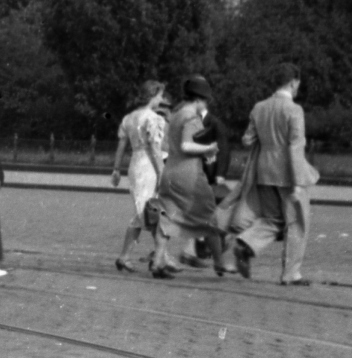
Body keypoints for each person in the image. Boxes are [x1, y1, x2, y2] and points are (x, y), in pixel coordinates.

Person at [228, 62, 319, 285]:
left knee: (273, 218)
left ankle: (246, 243)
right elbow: (295, 147)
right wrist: (298, 184)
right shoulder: (294, 110)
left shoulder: (259, 107)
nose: (298, 87)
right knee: (297, 222)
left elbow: (247, 139)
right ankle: (291, 273)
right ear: (293, 82)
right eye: (298, 83)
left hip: (264, 171)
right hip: (288, 173)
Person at [150, 75, 224, 278]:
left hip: (170, 172)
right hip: (189, 175)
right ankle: (219, 262)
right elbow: (186, 145)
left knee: (167, 219)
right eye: (205, 101)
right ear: (199, 100)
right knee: (210, 216)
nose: (205, 105)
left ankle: (158, 261)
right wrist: (208, 148)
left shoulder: (175, 115)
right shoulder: (192, 116)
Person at [110, 80, 167, 272]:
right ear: (153, 95)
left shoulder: (129, 118)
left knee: (143, 212)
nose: (161, 99)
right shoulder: (153, 118)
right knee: (149, 213)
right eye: (160, 95)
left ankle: (125, 257)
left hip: (135, 164)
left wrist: (116, 169)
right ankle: (161, 258)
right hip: (148, 166)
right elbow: (155, 149)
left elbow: (121, 146)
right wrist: (161, 173)